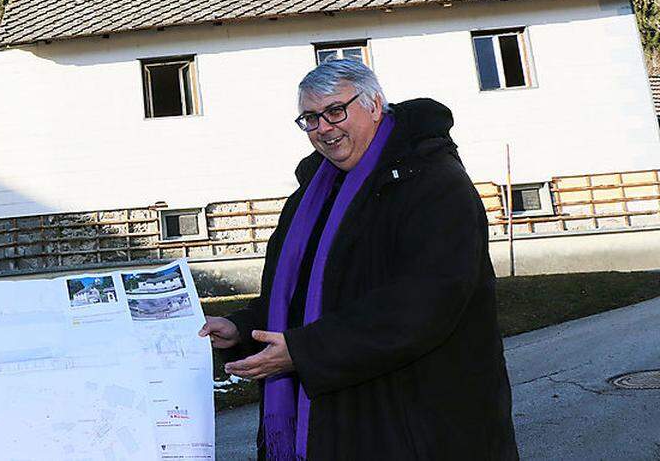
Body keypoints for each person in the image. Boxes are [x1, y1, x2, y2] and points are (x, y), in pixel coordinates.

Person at [200, 60, 517, 460]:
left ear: (375, 105)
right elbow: (298, 294)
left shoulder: (434, 183)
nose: (325, 128)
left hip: (419, 419)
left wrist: (306, 350)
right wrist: (239, 328)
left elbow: (423, 303)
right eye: (311, 118)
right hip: (340, 416)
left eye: (336, 111)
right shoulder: (312, 194)